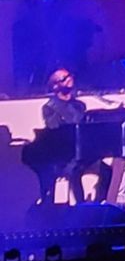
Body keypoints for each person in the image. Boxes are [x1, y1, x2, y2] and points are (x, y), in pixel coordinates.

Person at [42, 69, 112, 203]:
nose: (69, 79)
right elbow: (55, 131)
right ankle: (80, 206)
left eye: (70, 76)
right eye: (64, 78)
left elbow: (84, 127)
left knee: (106, 170)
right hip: (65, 156)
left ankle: (98, 204)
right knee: (74, 170)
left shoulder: (79, 105)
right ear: (55, 86)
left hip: (82, 153)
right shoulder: (50, 107)